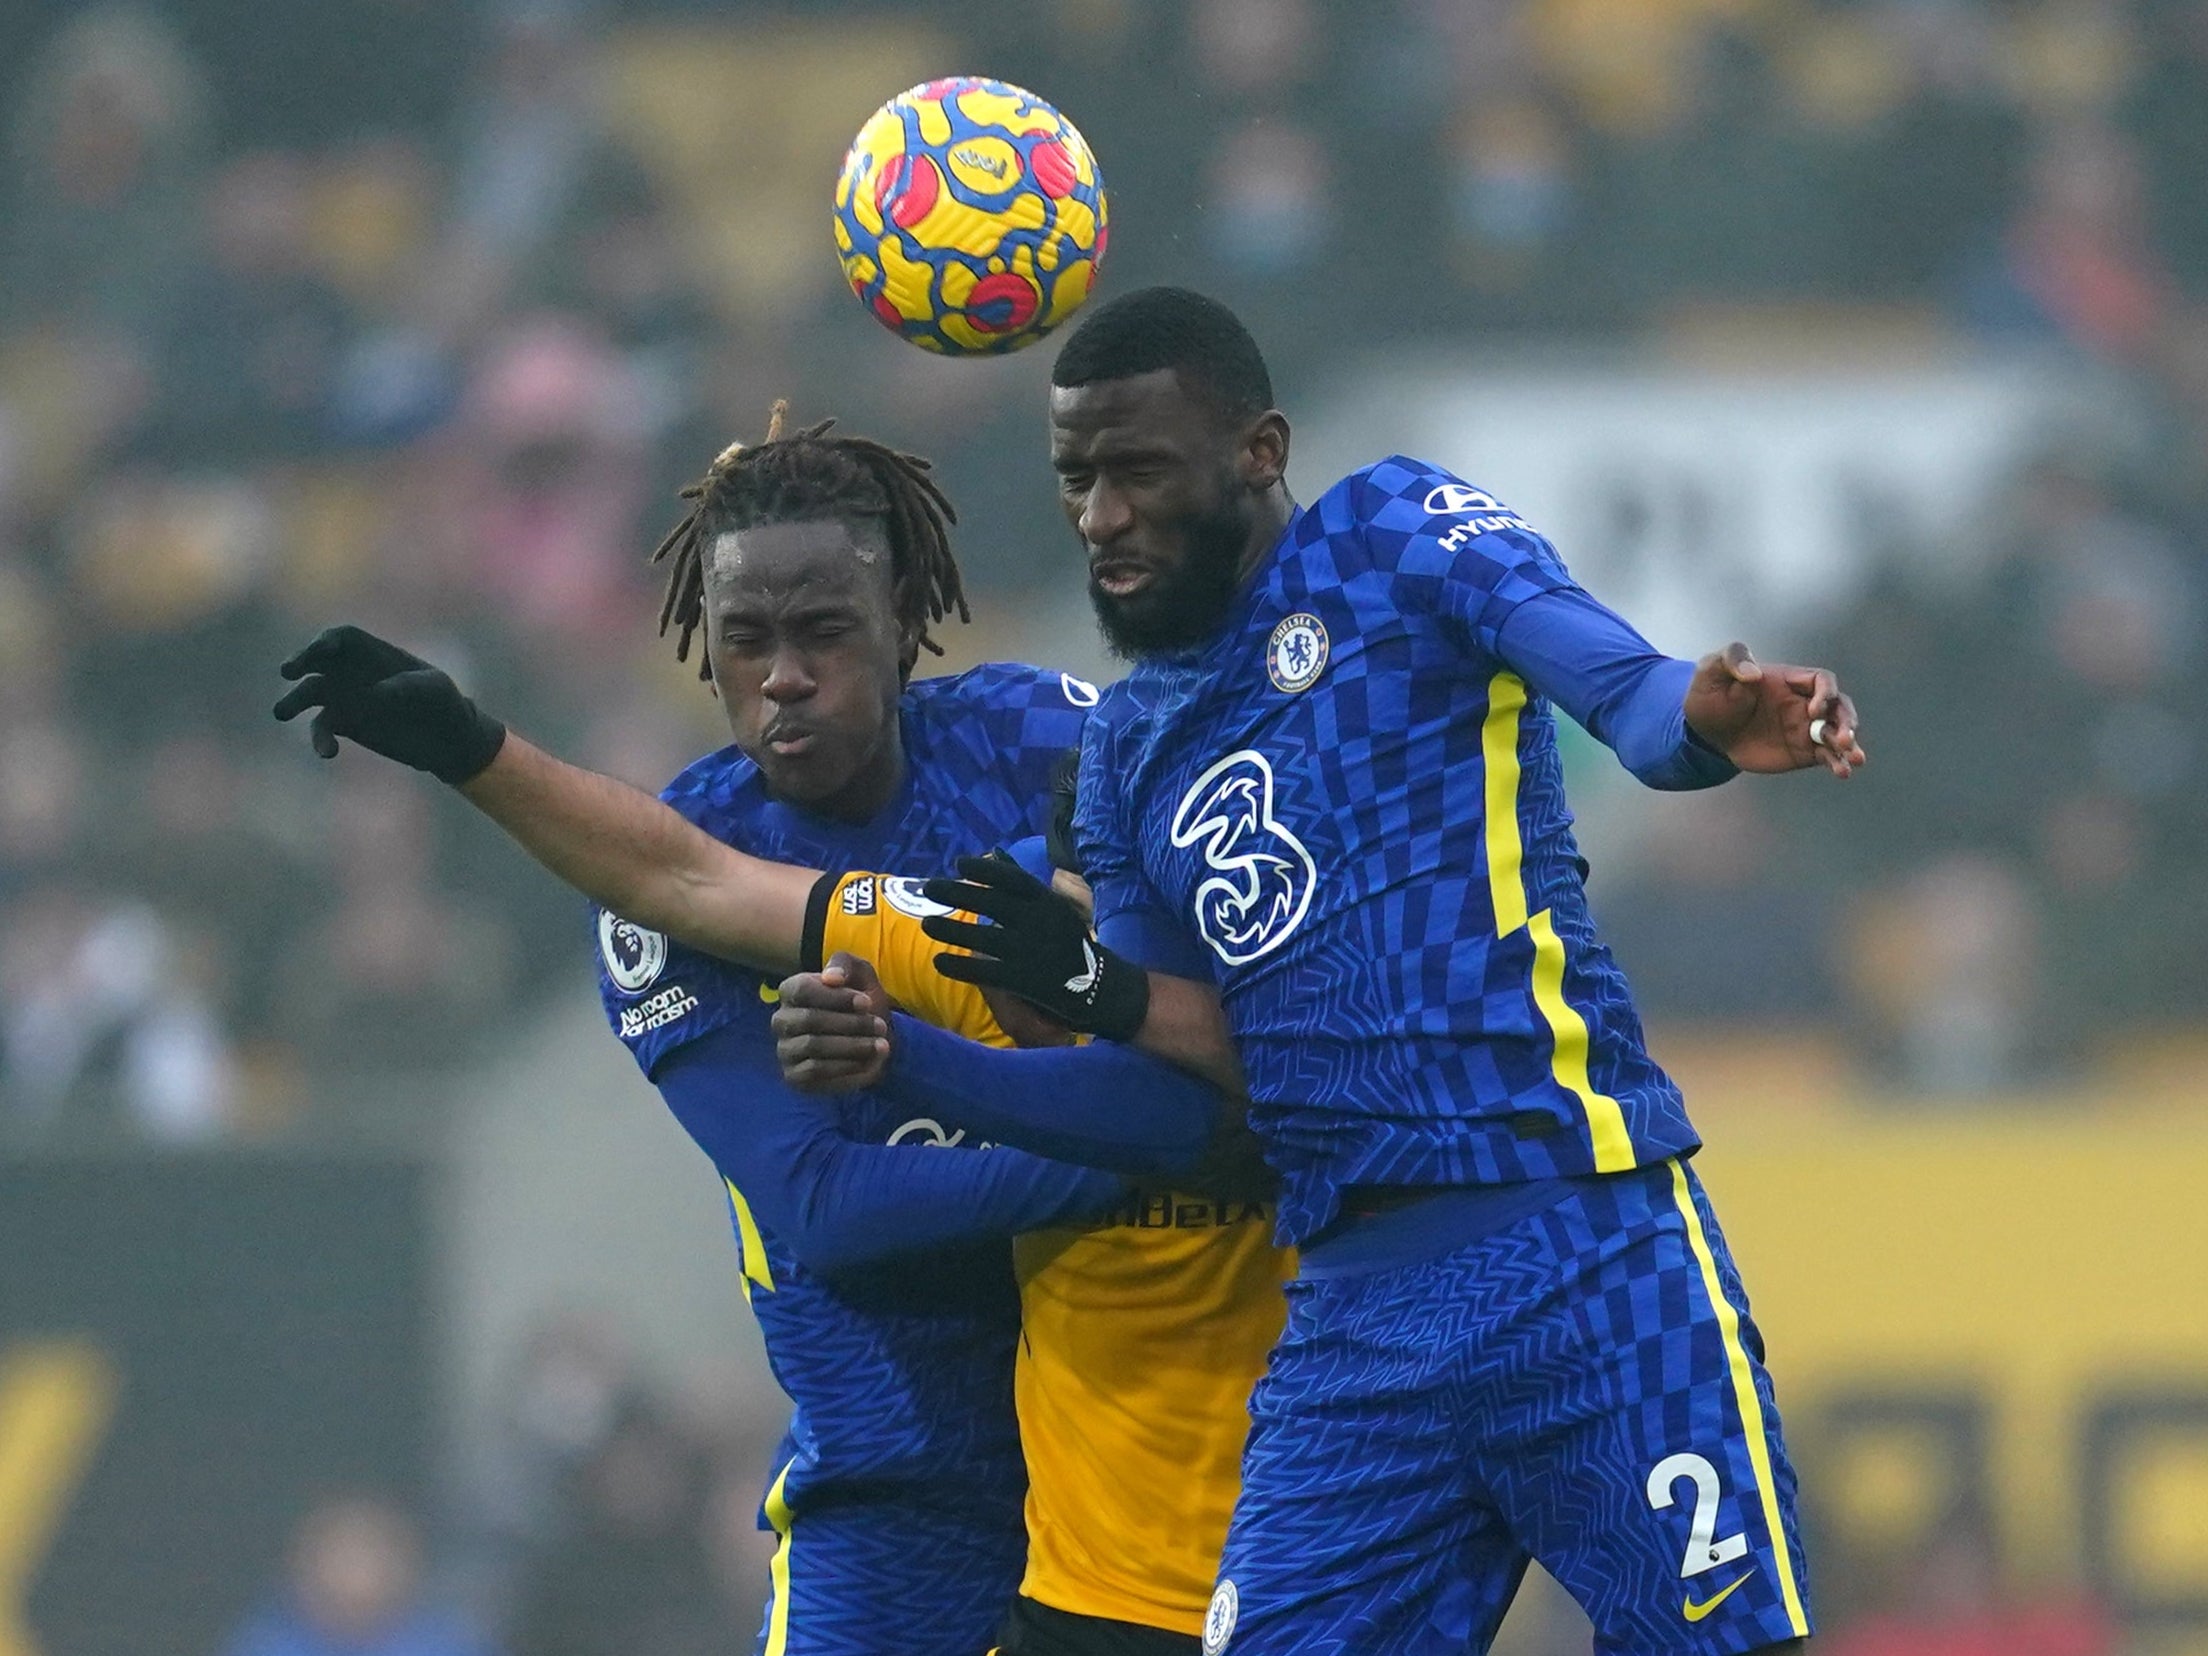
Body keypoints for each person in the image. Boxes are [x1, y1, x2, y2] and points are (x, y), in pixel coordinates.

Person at [769, 286, 1866, 1656]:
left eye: (1137, 471)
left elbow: (1624, 688)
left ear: (1258, 451)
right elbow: (1177, 1111)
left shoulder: (1393, 536)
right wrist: (936, 1052)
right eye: (1075, 479)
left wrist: (1698, 722)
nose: (1100, 515)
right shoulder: (1127, 755)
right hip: (1355, 1313)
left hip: (1580, 1242)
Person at [272, 401, 1286, 1656]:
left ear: (906, 618)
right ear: (705, 651)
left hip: (1137, 1446)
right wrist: (1155, 1153)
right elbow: (823, 1208)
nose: (784, 675)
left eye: (823, 632)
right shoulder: (674, 882)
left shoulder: (1045, 741)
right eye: (746, 639)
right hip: (897, 1483)